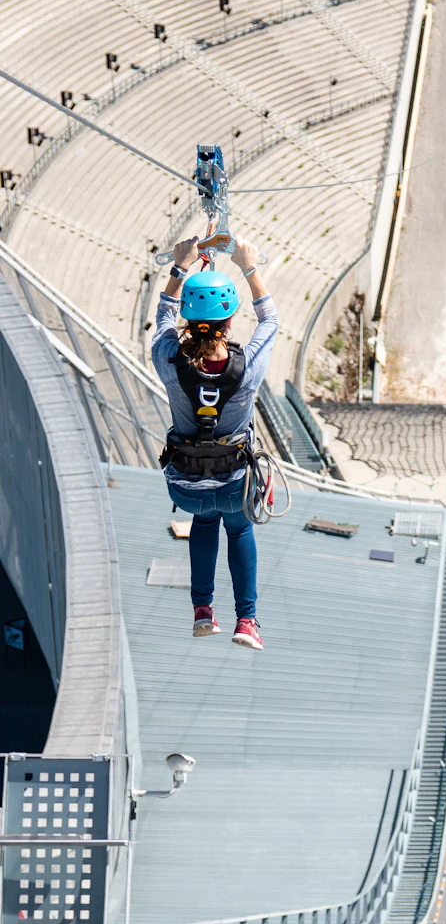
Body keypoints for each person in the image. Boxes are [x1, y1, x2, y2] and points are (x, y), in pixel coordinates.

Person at [151, 237, 276, 651]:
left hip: (186, 485)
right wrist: (249, 266)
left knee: (205, 522)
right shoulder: (249, 366)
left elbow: (163, 317)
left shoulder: (171, 361)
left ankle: (203, 611)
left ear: (190, 318)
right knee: (238, 530)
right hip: (235, 481)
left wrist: (180, 269)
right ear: (230, 319)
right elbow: (270, 322)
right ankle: (247, 621)